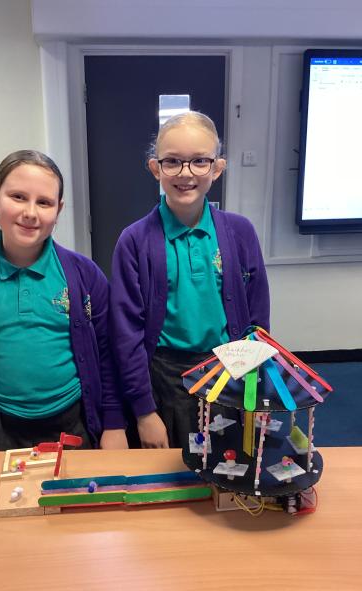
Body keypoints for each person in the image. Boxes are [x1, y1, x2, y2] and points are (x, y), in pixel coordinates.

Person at [0, 150, 127, 452]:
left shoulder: (85, 275)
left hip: (73, 422)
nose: (30, 212)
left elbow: (107, 354)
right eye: (18, 197)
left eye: (44, 202)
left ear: (58, 210)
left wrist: (114, 424)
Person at [110, 111, 270, 449]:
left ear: (217, 168)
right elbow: (126, 335)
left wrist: (254, 391)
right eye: (172, 161)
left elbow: (258, 321)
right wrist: (144, 413)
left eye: (199, 161)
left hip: (228, 372)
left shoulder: (240, 232)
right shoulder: (134, 241)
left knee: (227, 462)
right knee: (167, 467)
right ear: (155, 168)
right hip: (162, 381)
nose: (185, 173)